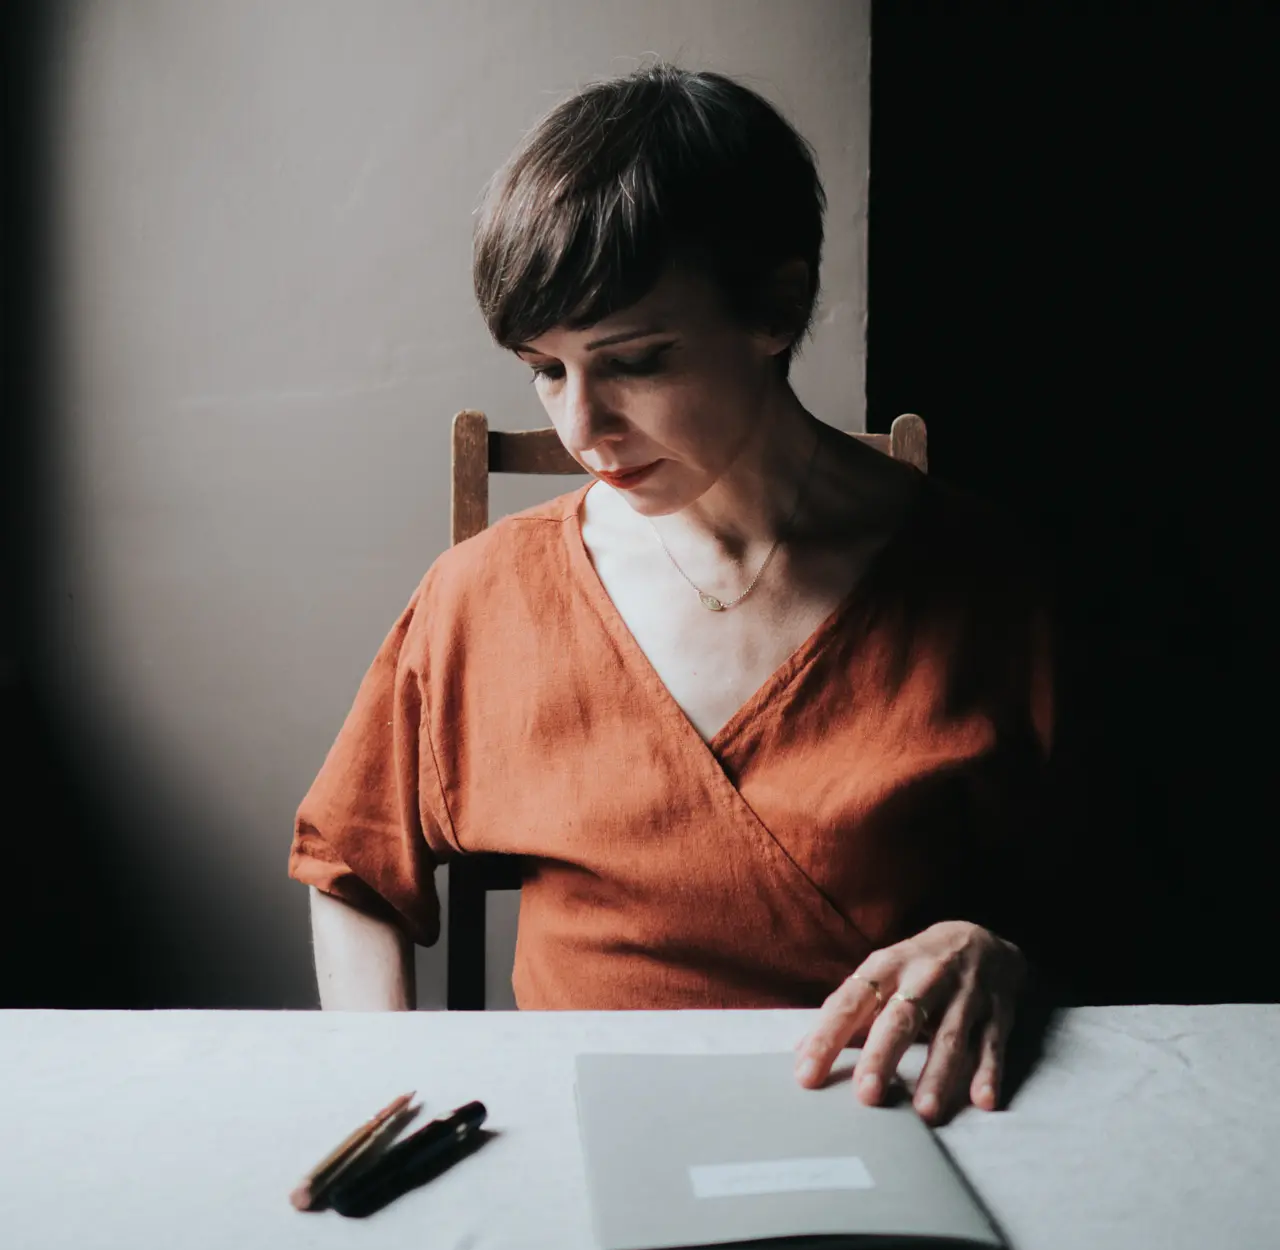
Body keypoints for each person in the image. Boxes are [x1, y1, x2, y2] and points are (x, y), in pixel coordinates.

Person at [290, 63, 1063, 1127]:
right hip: (570, 1124)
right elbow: (349, 867)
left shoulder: (978, 580)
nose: (580, 429)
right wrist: (381, 1084)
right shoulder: (485, 596)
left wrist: (1001, 947)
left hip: (887, 1117)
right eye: (544, 368)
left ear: (776, 308)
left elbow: (1113, 890)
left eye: (635, 361)